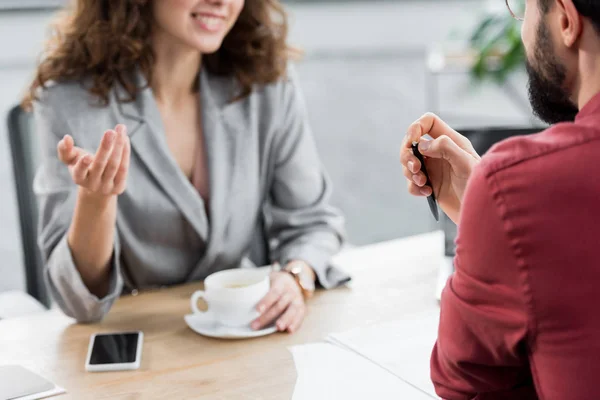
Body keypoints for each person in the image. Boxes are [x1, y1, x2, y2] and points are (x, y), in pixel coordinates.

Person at [23, 0, 348, 330]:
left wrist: (296, 275)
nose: (221, 2)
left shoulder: (265, 82)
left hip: (245, 331)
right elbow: (79, 302)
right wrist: (95, 202)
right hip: (141, 340)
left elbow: (311, 221)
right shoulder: (69, 101)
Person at [400, 0, 600, 398]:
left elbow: (461, 381)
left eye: (525, 9)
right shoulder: (514, 191)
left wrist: (498, 203)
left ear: (565, 19)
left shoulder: (517, 187)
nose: (524, 30)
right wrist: (490, 216)